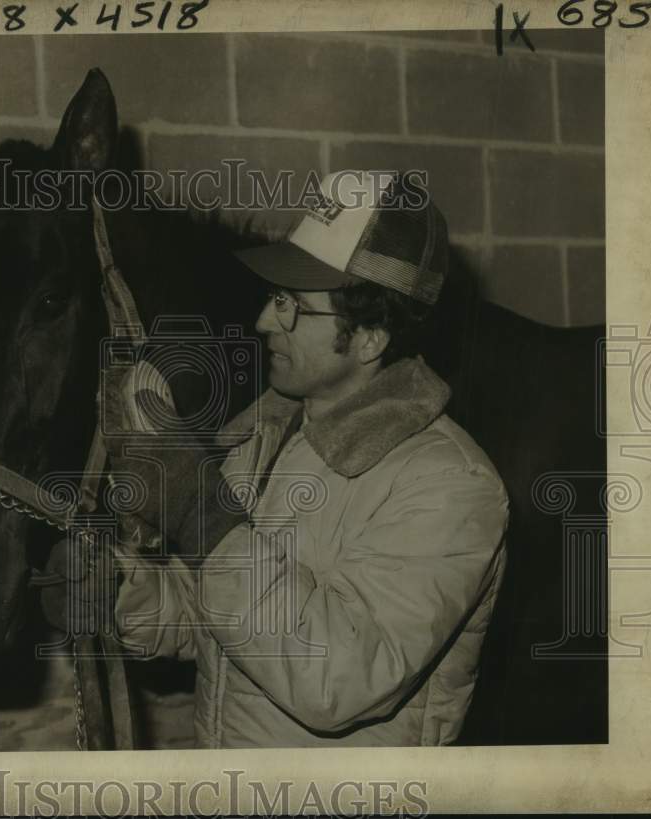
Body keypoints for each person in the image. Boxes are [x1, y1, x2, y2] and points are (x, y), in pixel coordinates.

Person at [103, 170, 509, 748]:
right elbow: (214, 624)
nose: (265, 321)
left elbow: (334, 678)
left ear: (370, 336)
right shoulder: (267, 436)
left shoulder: (451, 486)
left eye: (293, 307)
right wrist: (118, 588)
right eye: (274, 298)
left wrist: (199, 510)